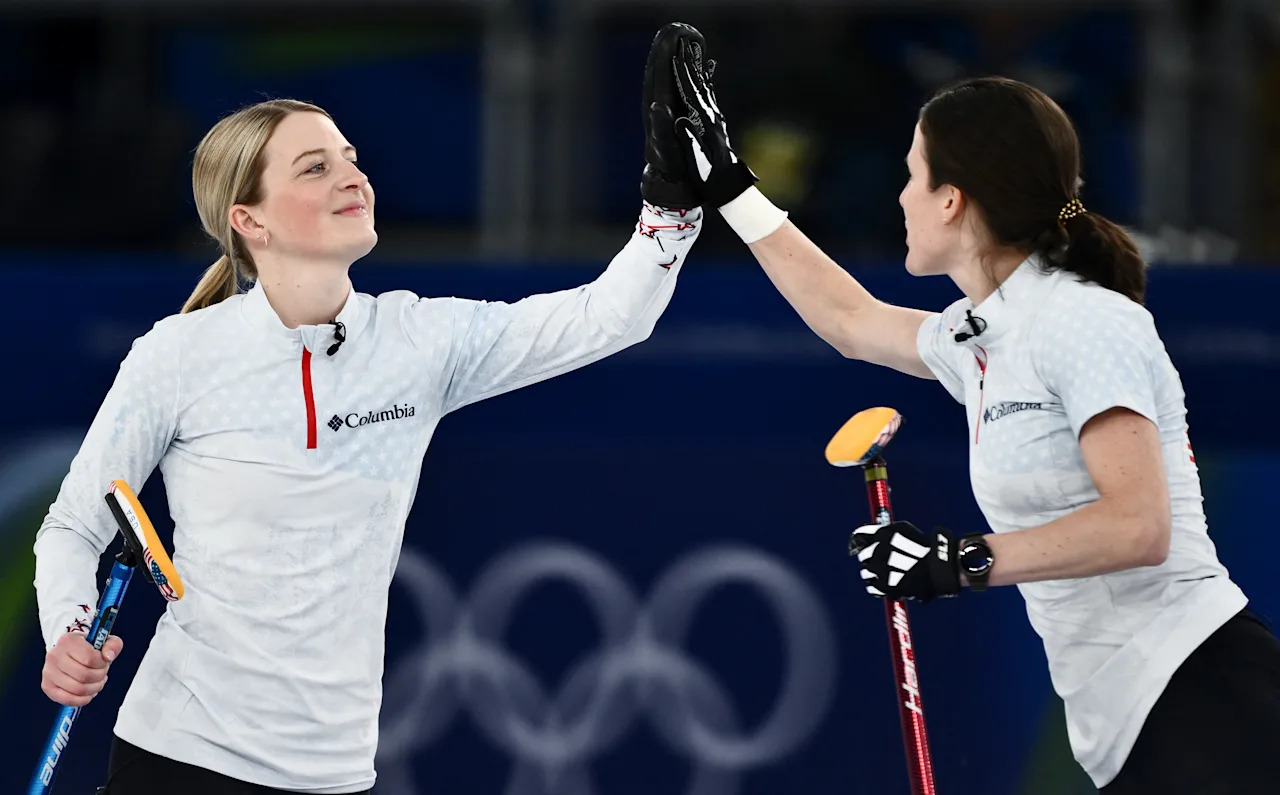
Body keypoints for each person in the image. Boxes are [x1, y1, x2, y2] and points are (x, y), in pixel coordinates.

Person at [33, 25, 706, 795]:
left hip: (336, 769)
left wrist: (670, 203)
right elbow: (76, 524)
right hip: (182, 752)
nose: (352, 176)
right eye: (316, 167)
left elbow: (608, 317)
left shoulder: (420, 340)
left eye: (351, 158)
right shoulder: (179, 354)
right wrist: (68, 630)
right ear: (249, 220)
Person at [665, 31, 1280, 794]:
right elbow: (849, 320)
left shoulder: (1086, 321)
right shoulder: (982, 334)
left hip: (1203, 694)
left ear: (952, 200)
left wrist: (957, 560)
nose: (899, 196)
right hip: (1134, 723)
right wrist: (731, 187)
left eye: (912, 176)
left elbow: (1139, 526)